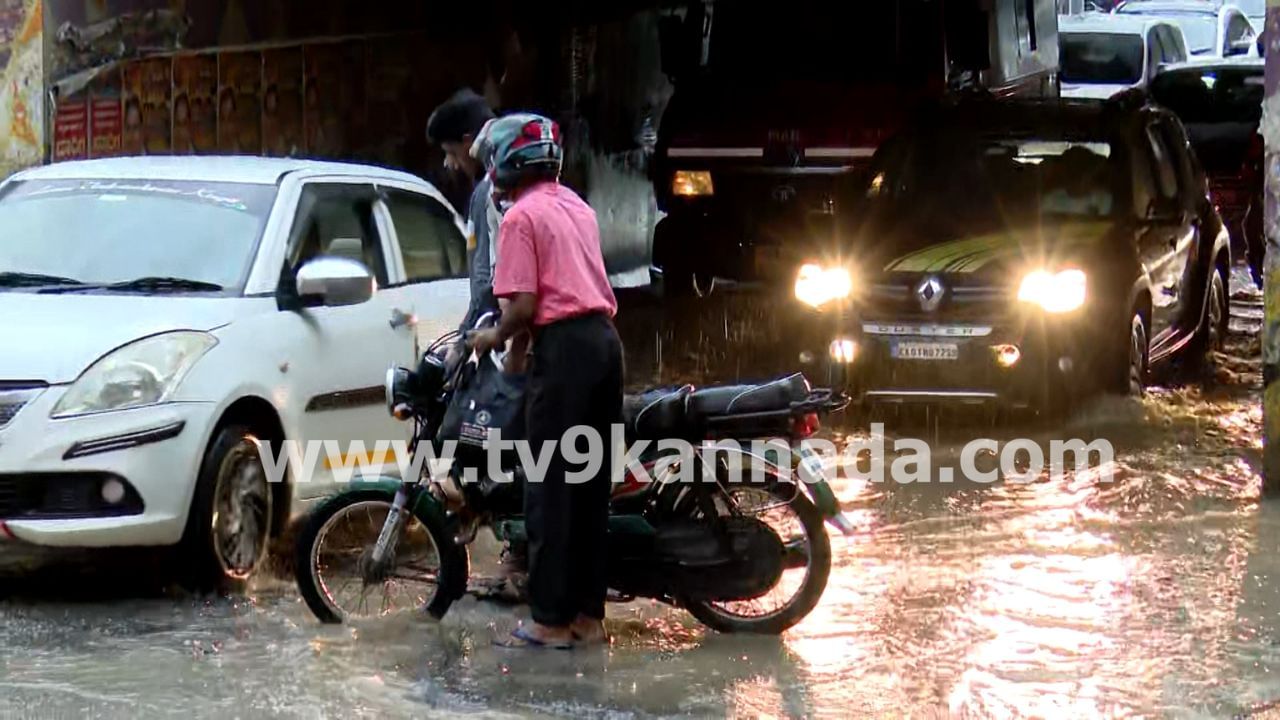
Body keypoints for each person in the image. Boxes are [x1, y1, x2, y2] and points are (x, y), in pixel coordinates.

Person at [469, 114, 623, 649]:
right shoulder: (576, 206)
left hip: (565, 352)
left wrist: (492, 338)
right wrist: (520, 350)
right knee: (591, 488)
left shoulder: (519, 217)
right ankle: (587, 618)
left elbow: (524, 306)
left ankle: (550, 621)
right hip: (604, 345)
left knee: (550, 488)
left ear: (505, 161)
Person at [425, 88, 499, 339]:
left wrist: (463, 340)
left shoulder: (487, 193)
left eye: (451, 152)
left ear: (469, 142)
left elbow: (484, 282)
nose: (449, 163)